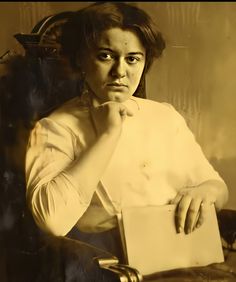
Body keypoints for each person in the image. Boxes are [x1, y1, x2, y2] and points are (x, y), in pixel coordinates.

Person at [25, 2, 228, 261]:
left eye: (132, 59)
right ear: (80, 59)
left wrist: (205, 192)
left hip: (185, 259)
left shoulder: (165, 116)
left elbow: (218, 188)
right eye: (105, 56)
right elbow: (52, 221)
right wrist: (109, 135)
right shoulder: (55, 128)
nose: (120, 72)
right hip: (113, 268)